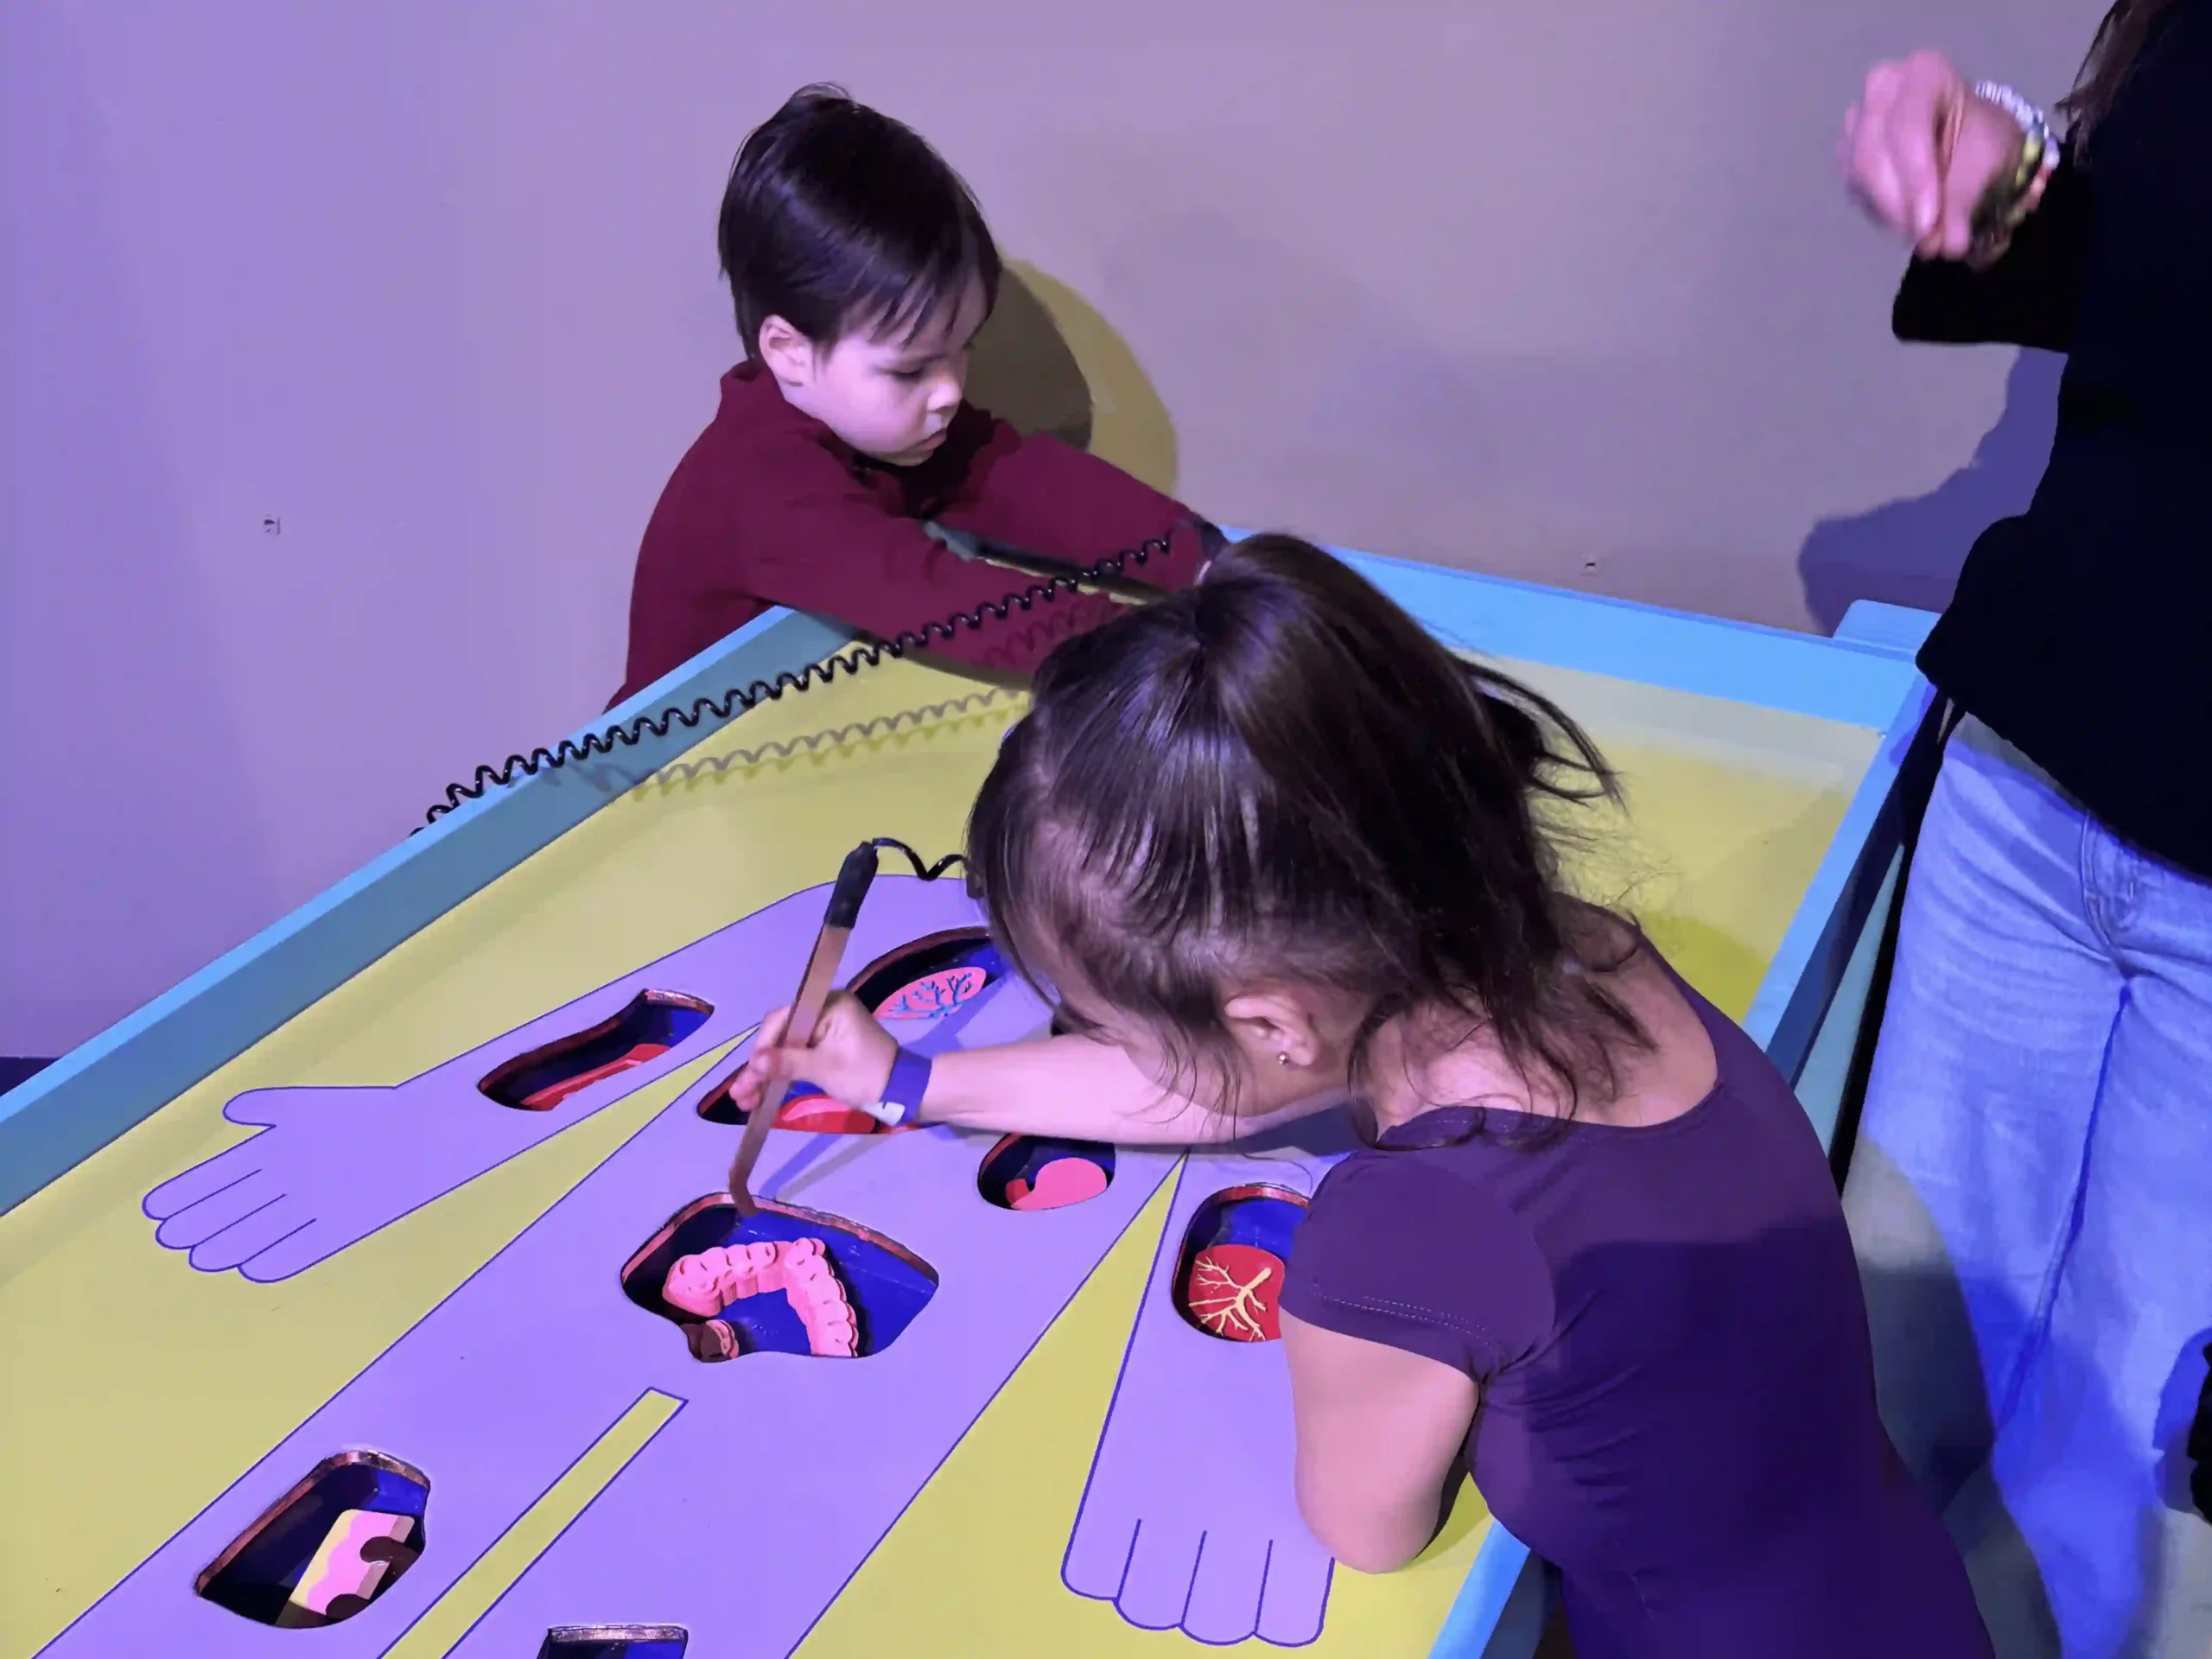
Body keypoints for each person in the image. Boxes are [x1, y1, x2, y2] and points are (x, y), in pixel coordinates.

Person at [720, 536, 1993, 1657]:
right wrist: (910, 1082)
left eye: (1107, 1020)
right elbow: (1228, 1087)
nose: (1116, 1045)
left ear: (1270, 1016)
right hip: (1903, 1596)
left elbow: (1366, 1529)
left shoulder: (1418, 1223)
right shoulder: (1574, 945)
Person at [1836, 9, 2212, 1653]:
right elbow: (2156, 300)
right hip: (2041, 761)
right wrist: (2014, 184)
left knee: (2125, 1471)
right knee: (1882, 1366)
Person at [611, 85, 1219, 709]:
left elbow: (1023, 480)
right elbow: (936, 594)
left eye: (963, 350)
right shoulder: (763, 486)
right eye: (910, 371)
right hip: (662, 775)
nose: (951, 390)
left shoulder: (889, 431)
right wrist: (1154, 645)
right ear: (790, 352)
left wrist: (1203, 557)